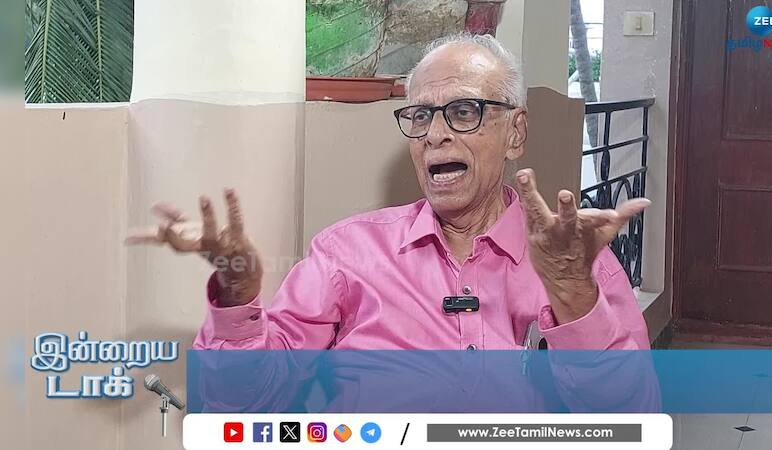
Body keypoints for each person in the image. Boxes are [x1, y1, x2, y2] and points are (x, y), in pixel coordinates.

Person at [127, 33, 652, 354]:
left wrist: (572, 298)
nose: (434, 134)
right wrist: (237, 295)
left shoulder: (576, 264)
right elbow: (244, 402)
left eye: (463, 112)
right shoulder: (346, 254)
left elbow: (628, 421)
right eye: (420, 115)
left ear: (516, 132)